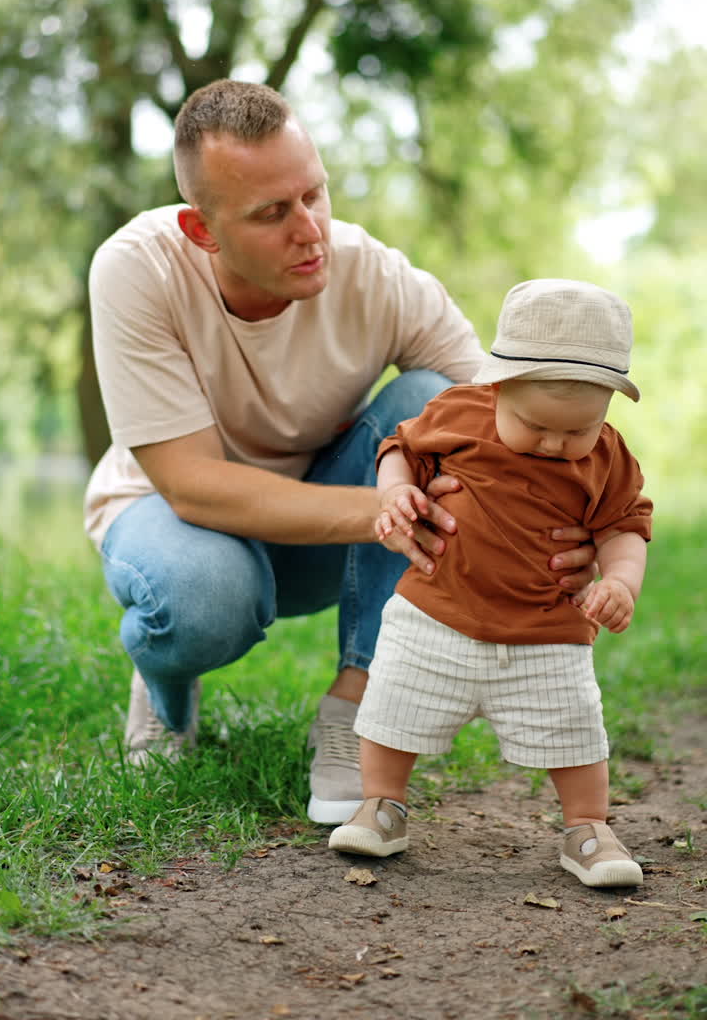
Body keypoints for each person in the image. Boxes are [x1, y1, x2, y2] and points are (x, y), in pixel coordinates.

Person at [83, 80, 597, 825]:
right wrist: (384, 507)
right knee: (199, 600)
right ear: (203, 230)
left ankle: (358, 702)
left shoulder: (374, 273)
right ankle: (166, 697)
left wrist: (586, 523)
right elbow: (192, 486)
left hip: (325, 544)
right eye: (272, 214)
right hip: (175, 523)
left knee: (428, 399)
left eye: (314, 195)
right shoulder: (138, 269)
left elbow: (502, 409)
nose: (311, 230)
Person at [328, 279, 652, 888]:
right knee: (392, 708)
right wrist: (397, 492)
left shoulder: (608, 457)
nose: (556, 444)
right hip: (435, 613)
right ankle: (382, 805)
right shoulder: (457, 413)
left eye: (577, 431)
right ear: (496, 385)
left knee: (575, 729)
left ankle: (587, 827)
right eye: (535, 425)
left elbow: (626, 525)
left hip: (548, 630)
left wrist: (622, 581)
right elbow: (399, 448)